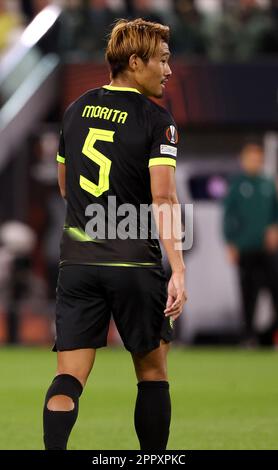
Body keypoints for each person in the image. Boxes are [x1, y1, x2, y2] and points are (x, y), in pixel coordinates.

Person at [43, 18, 187, 450]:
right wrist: (177, 268)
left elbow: (66, 187)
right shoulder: (156, 119)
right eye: (162, 60)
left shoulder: (75, 109)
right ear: (135, 61)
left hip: (79, 263)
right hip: (134, 265)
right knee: (152, 375)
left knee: (68, 378)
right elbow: (163, 200)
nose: (169, 70)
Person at [223, 142, 278, 346]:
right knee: (248, 294)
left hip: (268, 250)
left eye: (258, 158)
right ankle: (249, 336)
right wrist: (230, 243)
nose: (255, 162)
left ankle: (270, 336)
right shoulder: (237, 185)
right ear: (243, 160)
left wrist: (274, 228)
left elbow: (274, 212)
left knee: (274, 290)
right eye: (251, 158)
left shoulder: (267, 184)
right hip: (246, 249)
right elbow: (228, 216)